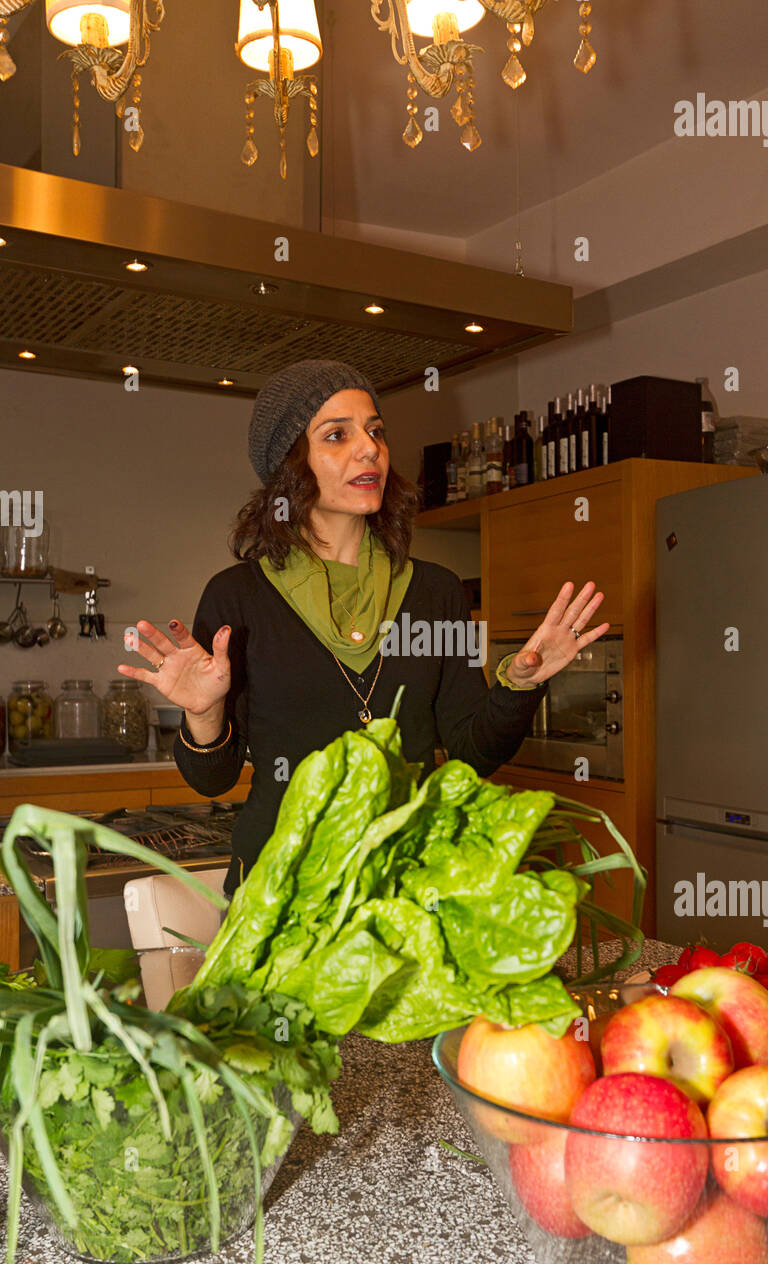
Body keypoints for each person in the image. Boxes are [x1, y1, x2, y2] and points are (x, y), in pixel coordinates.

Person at [118, 359, 610, 895]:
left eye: (376, 431)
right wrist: (204, 710)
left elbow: (474, 750)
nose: (370, 448)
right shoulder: (237, 597)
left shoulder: (437, 592)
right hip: (282, 893)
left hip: (410, 886)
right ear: (291, 464)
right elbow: (212, 778)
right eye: (336, 435)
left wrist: (522, 682)